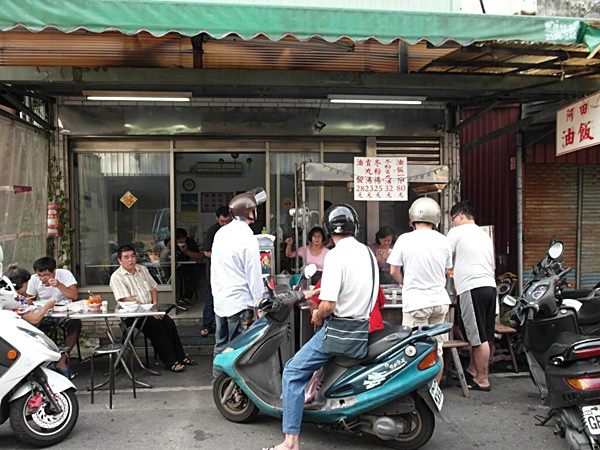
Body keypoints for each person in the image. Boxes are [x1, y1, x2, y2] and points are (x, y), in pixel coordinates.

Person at [267, 204, 377, 450]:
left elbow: (328, 305)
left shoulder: (335, 255)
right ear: (355, 227)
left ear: (328, 230)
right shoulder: (368, 253)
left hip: (339, 330)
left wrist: (317, 312)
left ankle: (290, 441)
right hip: (362, 327)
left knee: (293, 372)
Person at [387, 197, 452, 383]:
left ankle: (418, 394)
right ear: (436, 218)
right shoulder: (444, 240)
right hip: (440, 301)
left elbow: (393, 270)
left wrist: (406, 283)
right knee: (436, 349)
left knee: (414, 350)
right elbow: (447, 270)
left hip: (416, 302)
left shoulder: (405, 240)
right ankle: (434, 389)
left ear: (412, 219)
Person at [109, 244, 195, 373]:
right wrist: (149, 312)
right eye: (126, 257)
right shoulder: (117, 277)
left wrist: (154, 307)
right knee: (157, 326)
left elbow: (153, 288)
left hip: (150, 310)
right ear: (120, 260)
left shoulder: (142, 269)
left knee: (169, 322)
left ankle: (181, 356)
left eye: (132, 256)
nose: (131, 260)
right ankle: (171, 362)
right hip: (132, 315)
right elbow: (126, 299)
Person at [210, 190, 264, 374]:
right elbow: (253, 273)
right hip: (240, 301)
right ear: (248, 212)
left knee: (221, 345)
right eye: (254, 209)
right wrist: (260, 302)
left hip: (221, 299)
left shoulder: (221, 233)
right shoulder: (247, 237)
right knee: (238, 348)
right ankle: (234, 388)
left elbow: (215, 268)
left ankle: (218, 381)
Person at [447, 200, 496, 392]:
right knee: (486, 333)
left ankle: (482, 380)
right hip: (490, 286)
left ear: (460, 215)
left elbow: (444, 257)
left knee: (477, 338)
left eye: (453, 218)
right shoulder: (483, 234)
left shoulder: (456, 232)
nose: (453, 222)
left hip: (471, 287)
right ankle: (473, 369)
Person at [26, 256, 82, 377]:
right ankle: (42, 362)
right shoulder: (34, 280)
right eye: (39, 275)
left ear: (54, 271)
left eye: (46, 275)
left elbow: (74, 296)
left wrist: (59, 285)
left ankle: (62, 361)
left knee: (75, 324)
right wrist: (27, 301)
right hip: (44, 311)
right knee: (34, 328)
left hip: (63, 309)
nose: (42, 278)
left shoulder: (65, 274)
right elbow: (30, 299)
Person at [201, 206, 231, 337]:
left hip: (230, 270)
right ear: (217, 218)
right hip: (215, 270)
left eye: (227, 221)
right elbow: (206, 252)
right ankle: (207, 325)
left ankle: (226, 327)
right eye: (222, 221)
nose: (224, 224)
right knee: (212, 296)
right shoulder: (212, 231)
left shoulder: (233, 230)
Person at [174, 227, 202, 303]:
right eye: (179, 239)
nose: (182, 241)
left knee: (195, 273)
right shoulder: (172, 243)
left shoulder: (190, 242)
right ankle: (177, 296)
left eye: (184, 238)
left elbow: (198, 256)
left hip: (189, 266)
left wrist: (186, 251)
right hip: (175, 266)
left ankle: (187, 296)